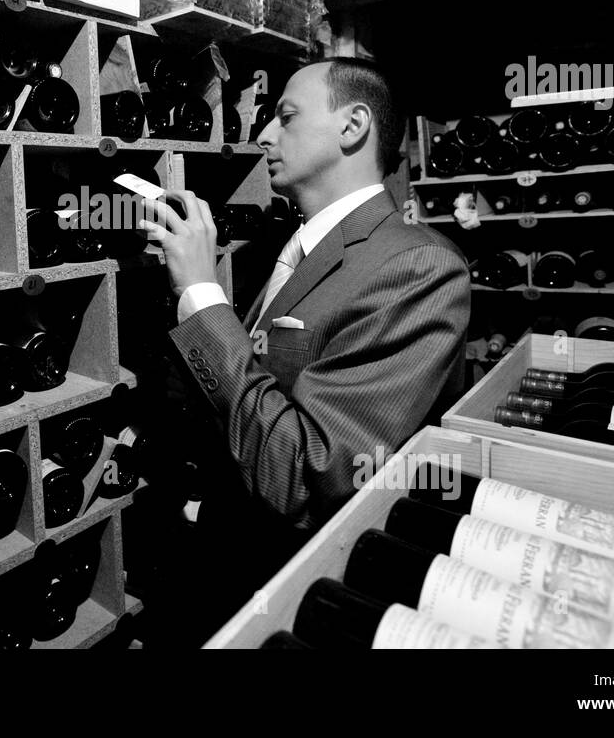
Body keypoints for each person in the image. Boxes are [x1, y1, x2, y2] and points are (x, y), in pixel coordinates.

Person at [138, 58, 470, 646]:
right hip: (229, 560)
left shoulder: (418, 266)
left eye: (285, 118)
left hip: (299, 592)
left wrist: (200, 293)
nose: (264, 134)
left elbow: (305, 473)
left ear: (353, 126)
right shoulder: (300, 247)